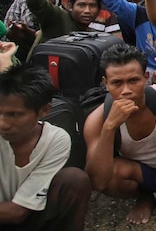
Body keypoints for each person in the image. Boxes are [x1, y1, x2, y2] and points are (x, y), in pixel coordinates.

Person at [83, 42, 156, 224]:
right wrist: (109, 128)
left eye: (133, 80)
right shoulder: (97, 120)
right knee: (113, 174)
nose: (126, 91)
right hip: (143, 175)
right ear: (106, 84)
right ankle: (145, 196)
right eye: (117, 83)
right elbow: (99, 182)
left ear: (146, 77)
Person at [0, 57, 92, 231]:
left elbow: (19, 211)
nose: (3, 124)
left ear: (44, 110)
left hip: (27, 214)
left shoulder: (56, 139)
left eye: (15, 115)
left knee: (74, 180)